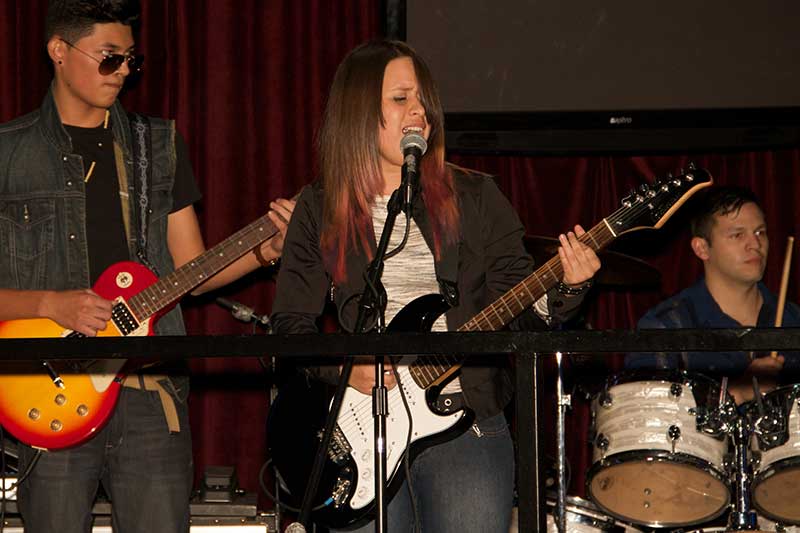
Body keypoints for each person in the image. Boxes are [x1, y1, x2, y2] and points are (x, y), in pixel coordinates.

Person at [270, 40, 600, 533]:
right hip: (362, 427)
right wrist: (342, 367)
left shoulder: (475, 195)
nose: (419, 112)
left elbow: (524, 311)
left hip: (467, 420)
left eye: (423, 101)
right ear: (359, 111)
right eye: (401, 98)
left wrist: (568, 289)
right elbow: (288, 324)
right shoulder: (320, 207)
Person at [0, 1, 294, 532]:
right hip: (49, 388)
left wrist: (265, 250)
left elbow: (192, 269)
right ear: (59, 51)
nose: (123, 73)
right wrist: (50, 305)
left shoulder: (156, 144)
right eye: (109, 59)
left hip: (150, 394)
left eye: (131, 60)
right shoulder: (7, 155)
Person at [626, 185, 800, 404]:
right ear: (701, 248)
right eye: (738, 235)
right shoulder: (666, 327)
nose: (755, 244)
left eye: (760, 232)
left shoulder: (793, 320)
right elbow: (648, 420)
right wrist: (736, 393)